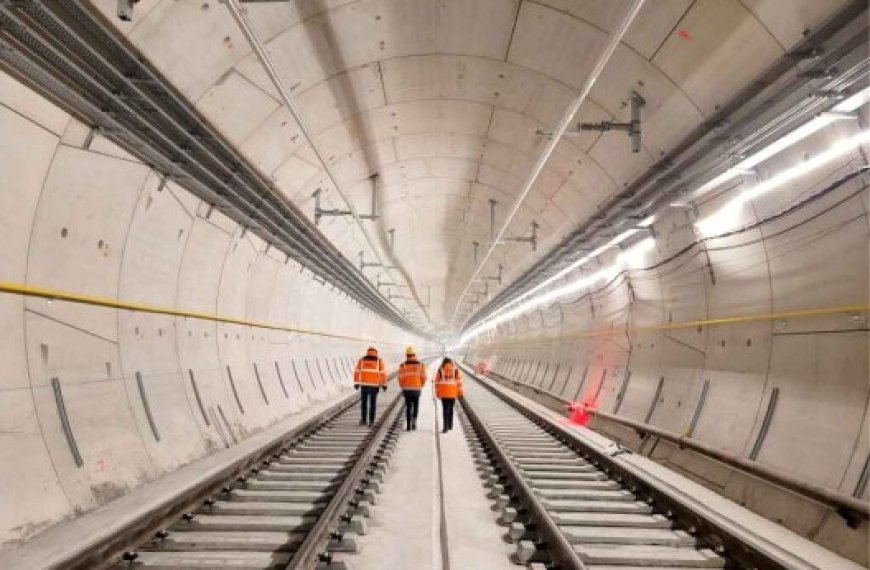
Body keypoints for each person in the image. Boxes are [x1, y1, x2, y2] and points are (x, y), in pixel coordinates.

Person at [354, 347, 387, 426]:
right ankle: (371, 421)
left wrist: (356, 383)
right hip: (374, 386)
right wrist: (384, 384)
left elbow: (357, 371)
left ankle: (363, 420)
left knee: (364, 403)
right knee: (372, 403)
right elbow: (383, 373)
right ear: (376, 352)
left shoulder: (362, 360)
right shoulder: (379, 361)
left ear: (367, 352)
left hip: (364, 385)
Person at [397, 346, 427, 431]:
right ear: (414, 355)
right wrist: (421, 385)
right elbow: (424, 377)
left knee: (408, 406)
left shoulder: (403, 365)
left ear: (407, 355)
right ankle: (414, 422)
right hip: (417, 389)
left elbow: (400, 378)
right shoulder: (421, 365)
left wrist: (402, 386)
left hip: (407, 390)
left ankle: (408, 425)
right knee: (416, 405)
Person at [434, 357, 463, 433]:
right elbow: (459, 383)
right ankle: (450, 425)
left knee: (445, 410)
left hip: (443, 393)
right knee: (450, 409)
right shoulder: (455, 370)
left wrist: (437, 393)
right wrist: (460, 393)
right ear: (451, 363)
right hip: (453, 393)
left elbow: (436, 383)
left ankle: (445, 427)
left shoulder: (440, 370)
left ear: (443, 363)